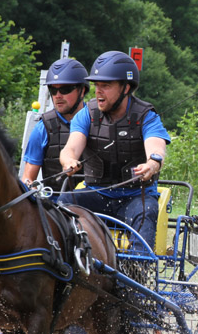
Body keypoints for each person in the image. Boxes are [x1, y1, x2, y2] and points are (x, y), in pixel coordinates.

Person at [58, 51, 170, 250]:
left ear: (126, 88)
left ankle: (137, 271)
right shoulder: (87, 114)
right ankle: (68, 260)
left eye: (106, 86)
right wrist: (69, 161)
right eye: (96, 86)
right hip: (96, 194)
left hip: (135, 197)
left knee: (147, 211)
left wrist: (152, 164)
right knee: (64, 202)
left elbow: (157, 148)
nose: (98, 92)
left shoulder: (146, 116)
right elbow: (70, 149)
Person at [21, 58, 90, 192]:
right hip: (54, 204)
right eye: (53, 90)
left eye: (65, 89)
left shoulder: (100, 123)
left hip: (93, 203)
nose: (58, 95)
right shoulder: (42, 128)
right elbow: (28, 179)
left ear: (82, 91)